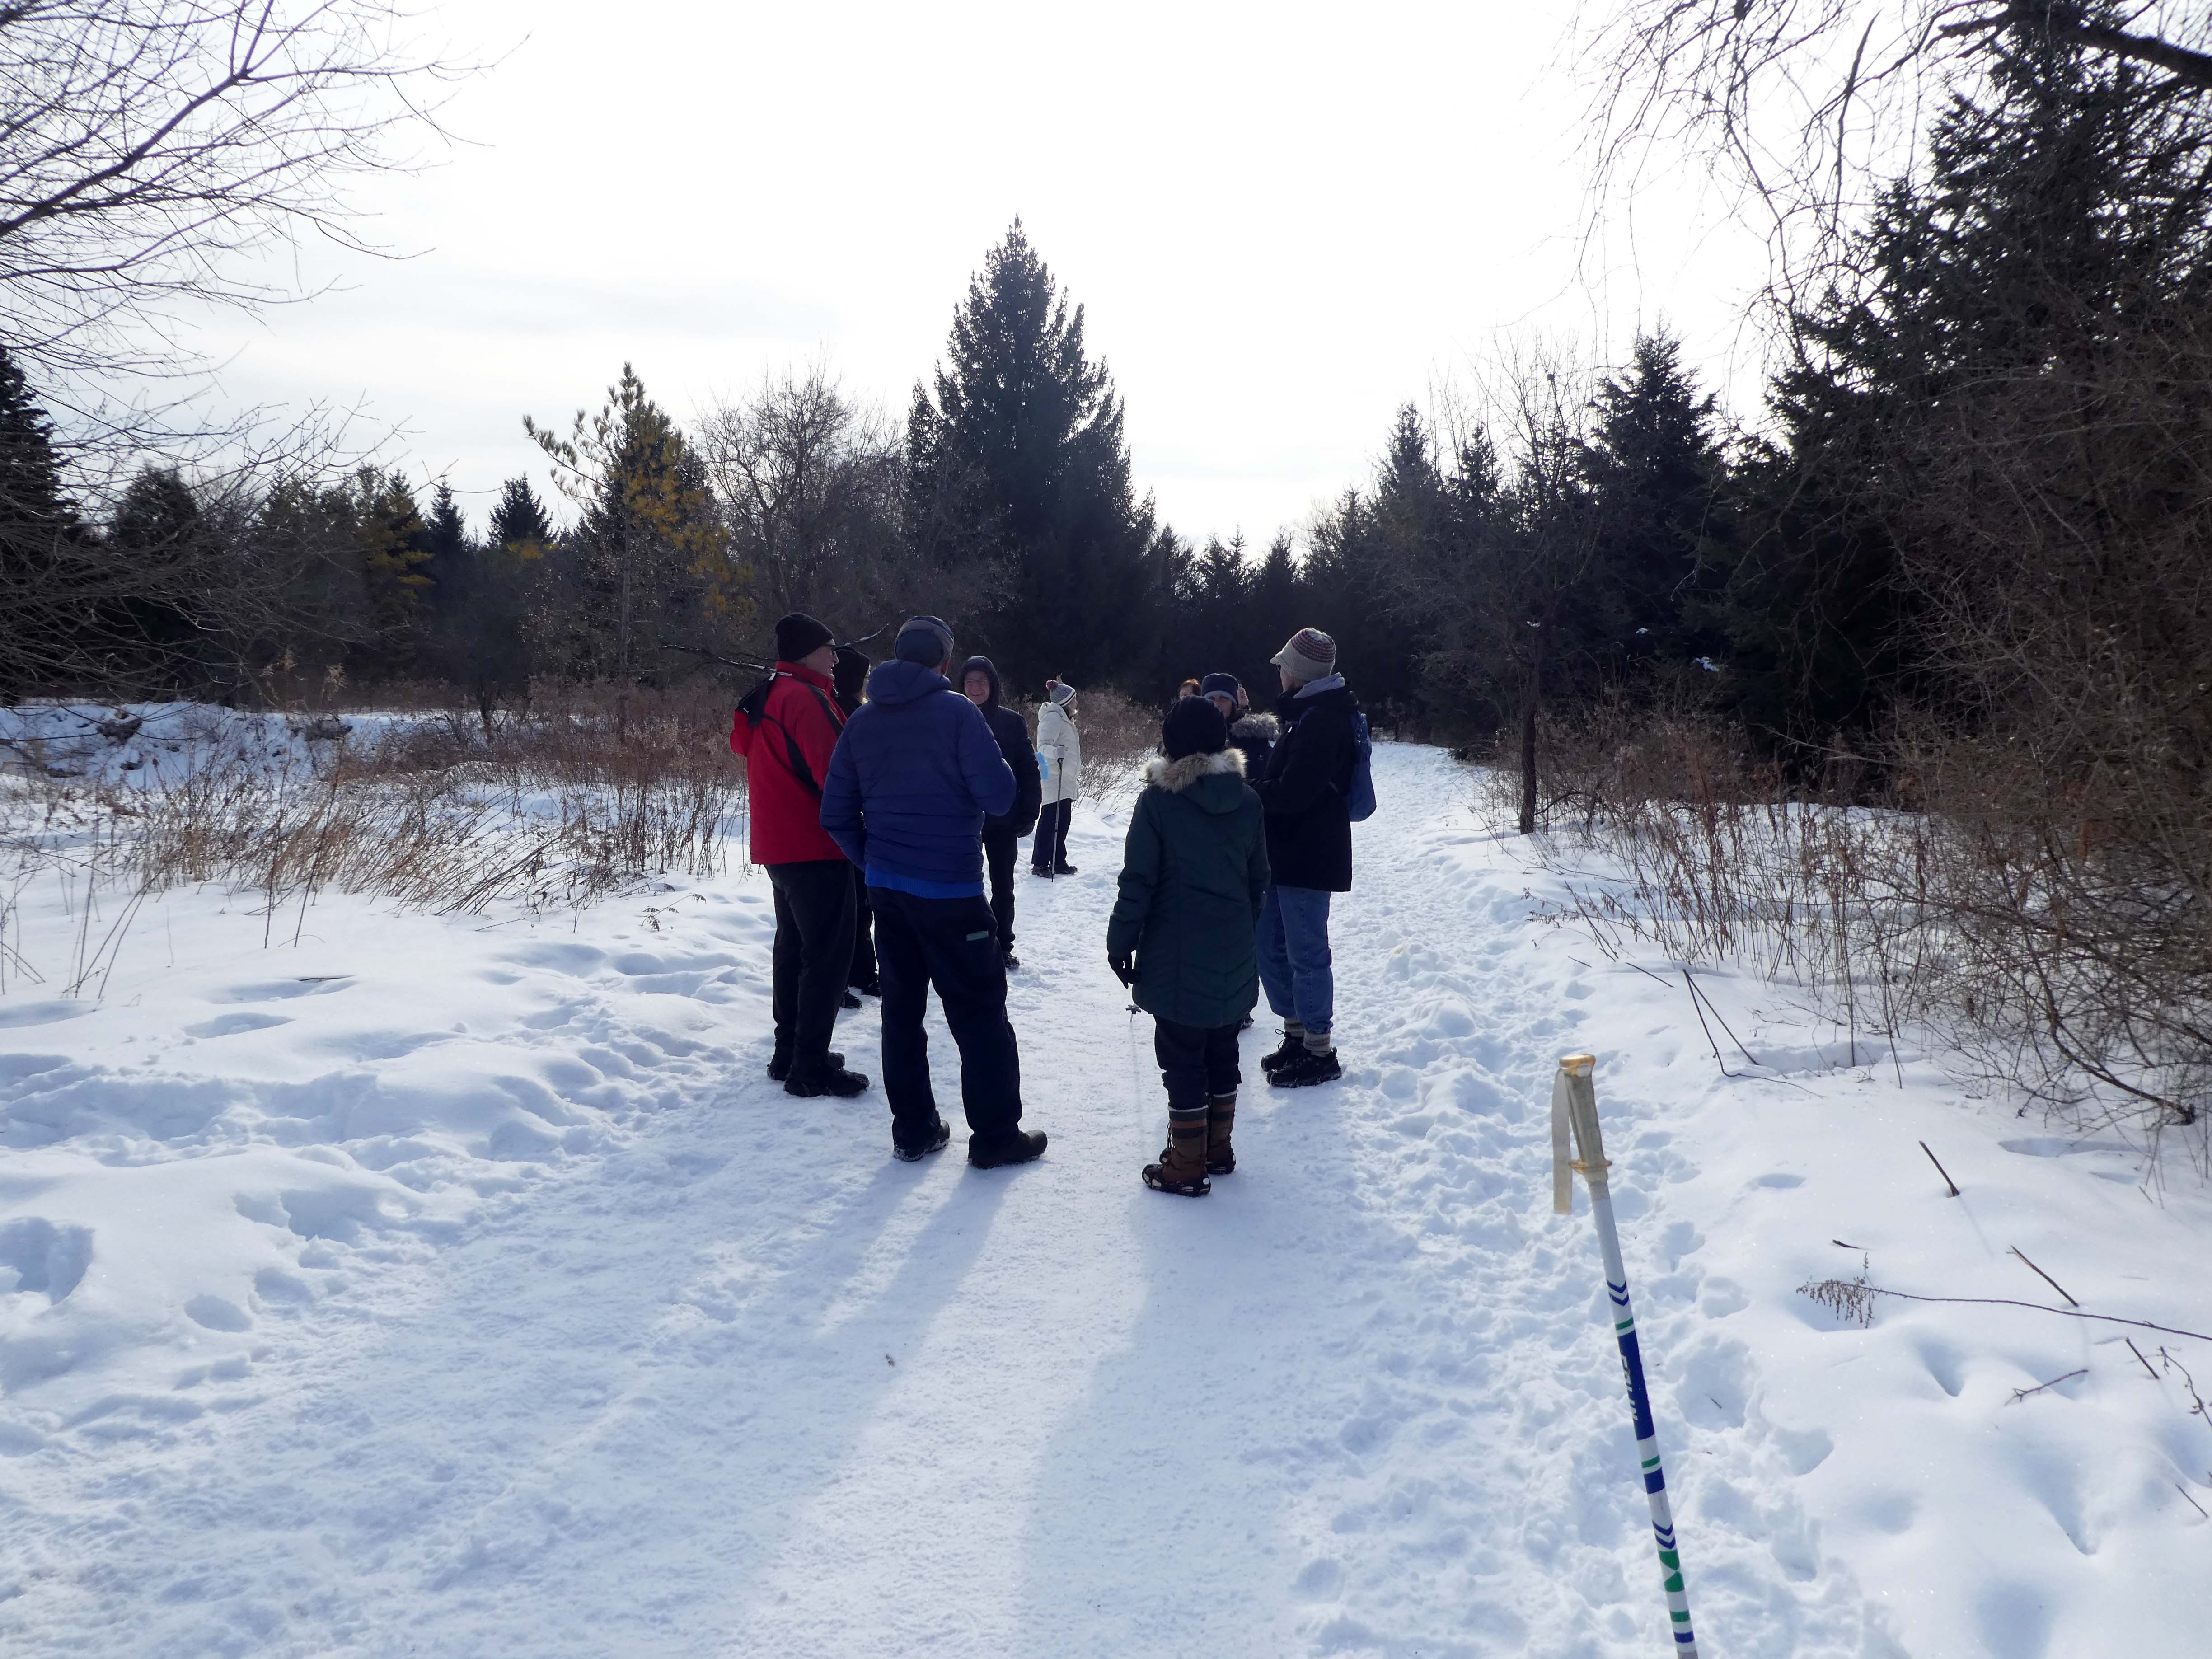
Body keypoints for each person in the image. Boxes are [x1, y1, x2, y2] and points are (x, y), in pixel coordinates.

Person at [821, 616, 1047, 1168]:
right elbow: (999, 797)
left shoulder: (862, 720)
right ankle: (995, 1138)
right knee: (979, 1013)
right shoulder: (959, 714)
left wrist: (875, 862)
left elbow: (835, 814)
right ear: (946, 662)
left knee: (902, 1013)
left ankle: (914, 1131)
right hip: (952, 893)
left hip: (889, 894)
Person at [1108, 697, 1269, 1197]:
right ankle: (1217, 1149)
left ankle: (1186, 1164)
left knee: (1181, 1056)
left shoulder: (1159, 802)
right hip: (1234, 948)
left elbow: (1139, 881)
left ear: (1171, 745)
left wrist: (1120, 940)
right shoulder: (1247, 800)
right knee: (1223, 1048)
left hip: (1175, 954)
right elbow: (1258, 879)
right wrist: (1242, 931)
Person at [727, 613, 868, 1099]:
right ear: (808, 653)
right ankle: (809, 1067)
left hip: (777, 845)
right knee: (827, 957)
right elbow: (837, 778)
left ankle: (788, 1053)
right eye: (829, 649)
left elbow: (743, 746)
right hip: (815, 844)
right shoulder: (806, 699)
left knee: (793, 949)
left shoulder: (767, 693)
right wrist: (864, 827)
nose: (835, 659)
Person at [1250, 627, 1360, 1088]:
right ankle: (1297, 1035)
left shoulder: (1323, 719)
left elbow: (1294, 793)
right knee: (1271, 947)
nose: (1279, 672)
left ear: (1298, 673)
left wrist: (1247, 791)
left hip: (1309, 856)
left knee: (1306, 952)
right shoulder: (1306, 714)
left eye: (1284, 665)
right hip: (1286, 852)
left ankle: (1318, 1050)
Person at [959, 655, 1042, 967]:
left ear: (993, 686)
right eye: (969, 682)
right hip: (961, 821)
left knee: (1003, 886)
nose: (975, 688)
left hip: (1002, 820)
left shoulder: (1011, 722)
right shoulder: (951, 717)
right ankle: (967, 941)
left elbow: (1029, 769)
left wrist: (1029, 811)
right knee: (965, 886)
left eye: (981, 682)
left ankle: (1002, 943)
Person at [831, 645, 880, 999]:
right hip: (850, 821)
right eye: (865, 676)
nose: (867, 682)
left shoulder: (850, 710)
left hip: (852, 819)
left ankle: (861, 972)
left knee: (859, 904)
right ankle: (853, 974)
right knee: (853, 906)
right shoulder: (847, 714)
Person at [1031, 679, 1083, 876]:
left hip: (1065, 779)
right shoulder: (1052, 718)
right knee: (1049, 823)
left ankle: (1058, 861)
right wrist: (1056, 752)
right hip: (1053, 778)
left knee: (1062, 823)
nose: (1076, 703)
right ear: (1066, 701)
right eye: (1074, 699)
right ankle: (1040, 864)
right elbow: (1042, 747)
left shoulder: (1065, 719)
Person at [1203, 671, 1276, 778]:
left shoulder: (1253, 738)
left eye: (1224, 699)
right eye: (1211, 699)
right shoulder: (1195, 737)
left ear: (1233, 704)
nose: (1217, 704)